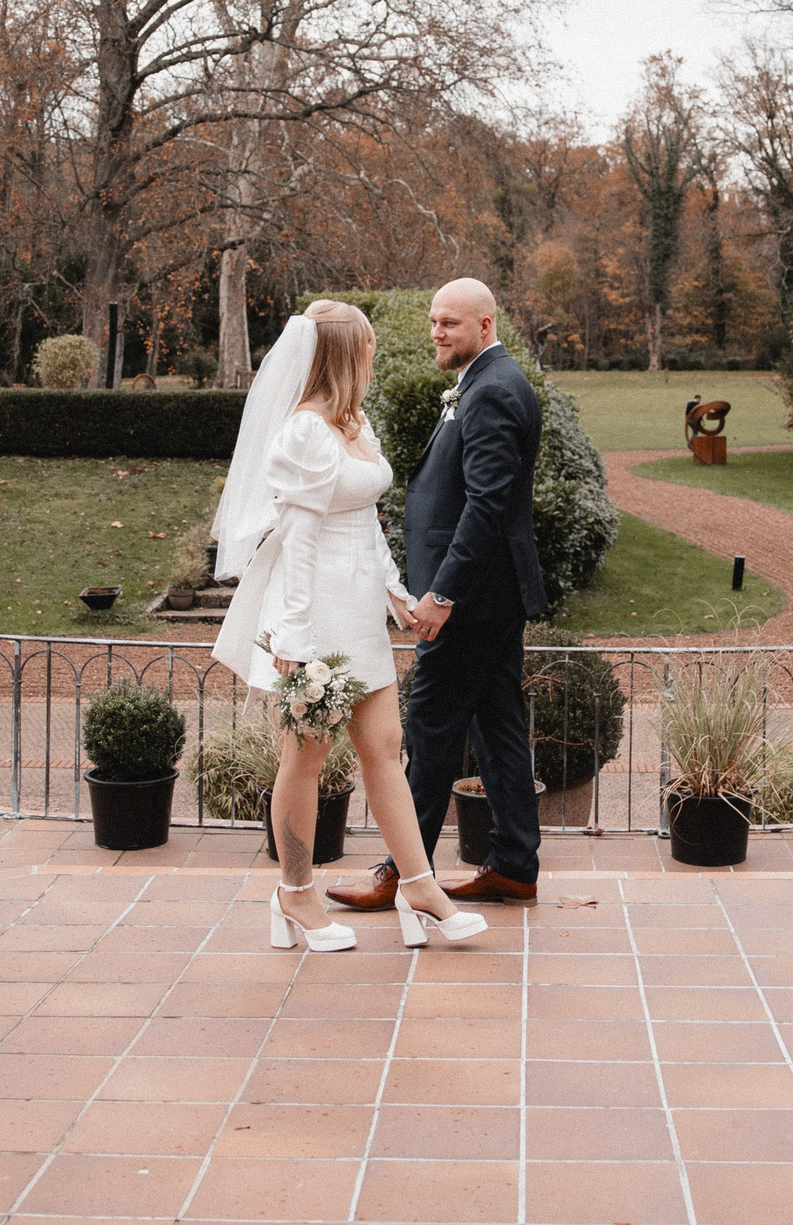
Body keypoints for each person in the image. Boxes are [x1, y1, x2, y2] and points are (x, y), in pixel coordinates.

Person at [208, 300, 487, 953]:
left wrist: (398, 594)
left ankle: (419, 888)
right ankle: (295, 896)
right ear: (342, 354)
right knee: (303, 758)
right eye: (365, 347)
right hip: (312, 617)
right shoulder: (305, 431)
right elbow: (299, 537)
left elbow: (364, 521)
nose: (373, 356)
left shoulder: (353, 422)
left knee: (385, 747)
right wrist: (296, 637)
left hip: (359, 611)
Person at [325, 278, 547, 915]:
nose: (436, 332)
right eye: (432, 321)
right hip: (488, 597)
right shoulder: (482, 383)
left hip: (472, 601)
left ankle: (404, 872)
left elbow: (487, 504)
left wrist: (442, 593)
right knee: (499, 728)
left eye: (449, 322)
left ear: (485, 324)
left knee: (428, 728)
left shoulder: (495, 390)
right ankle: (513, 865)